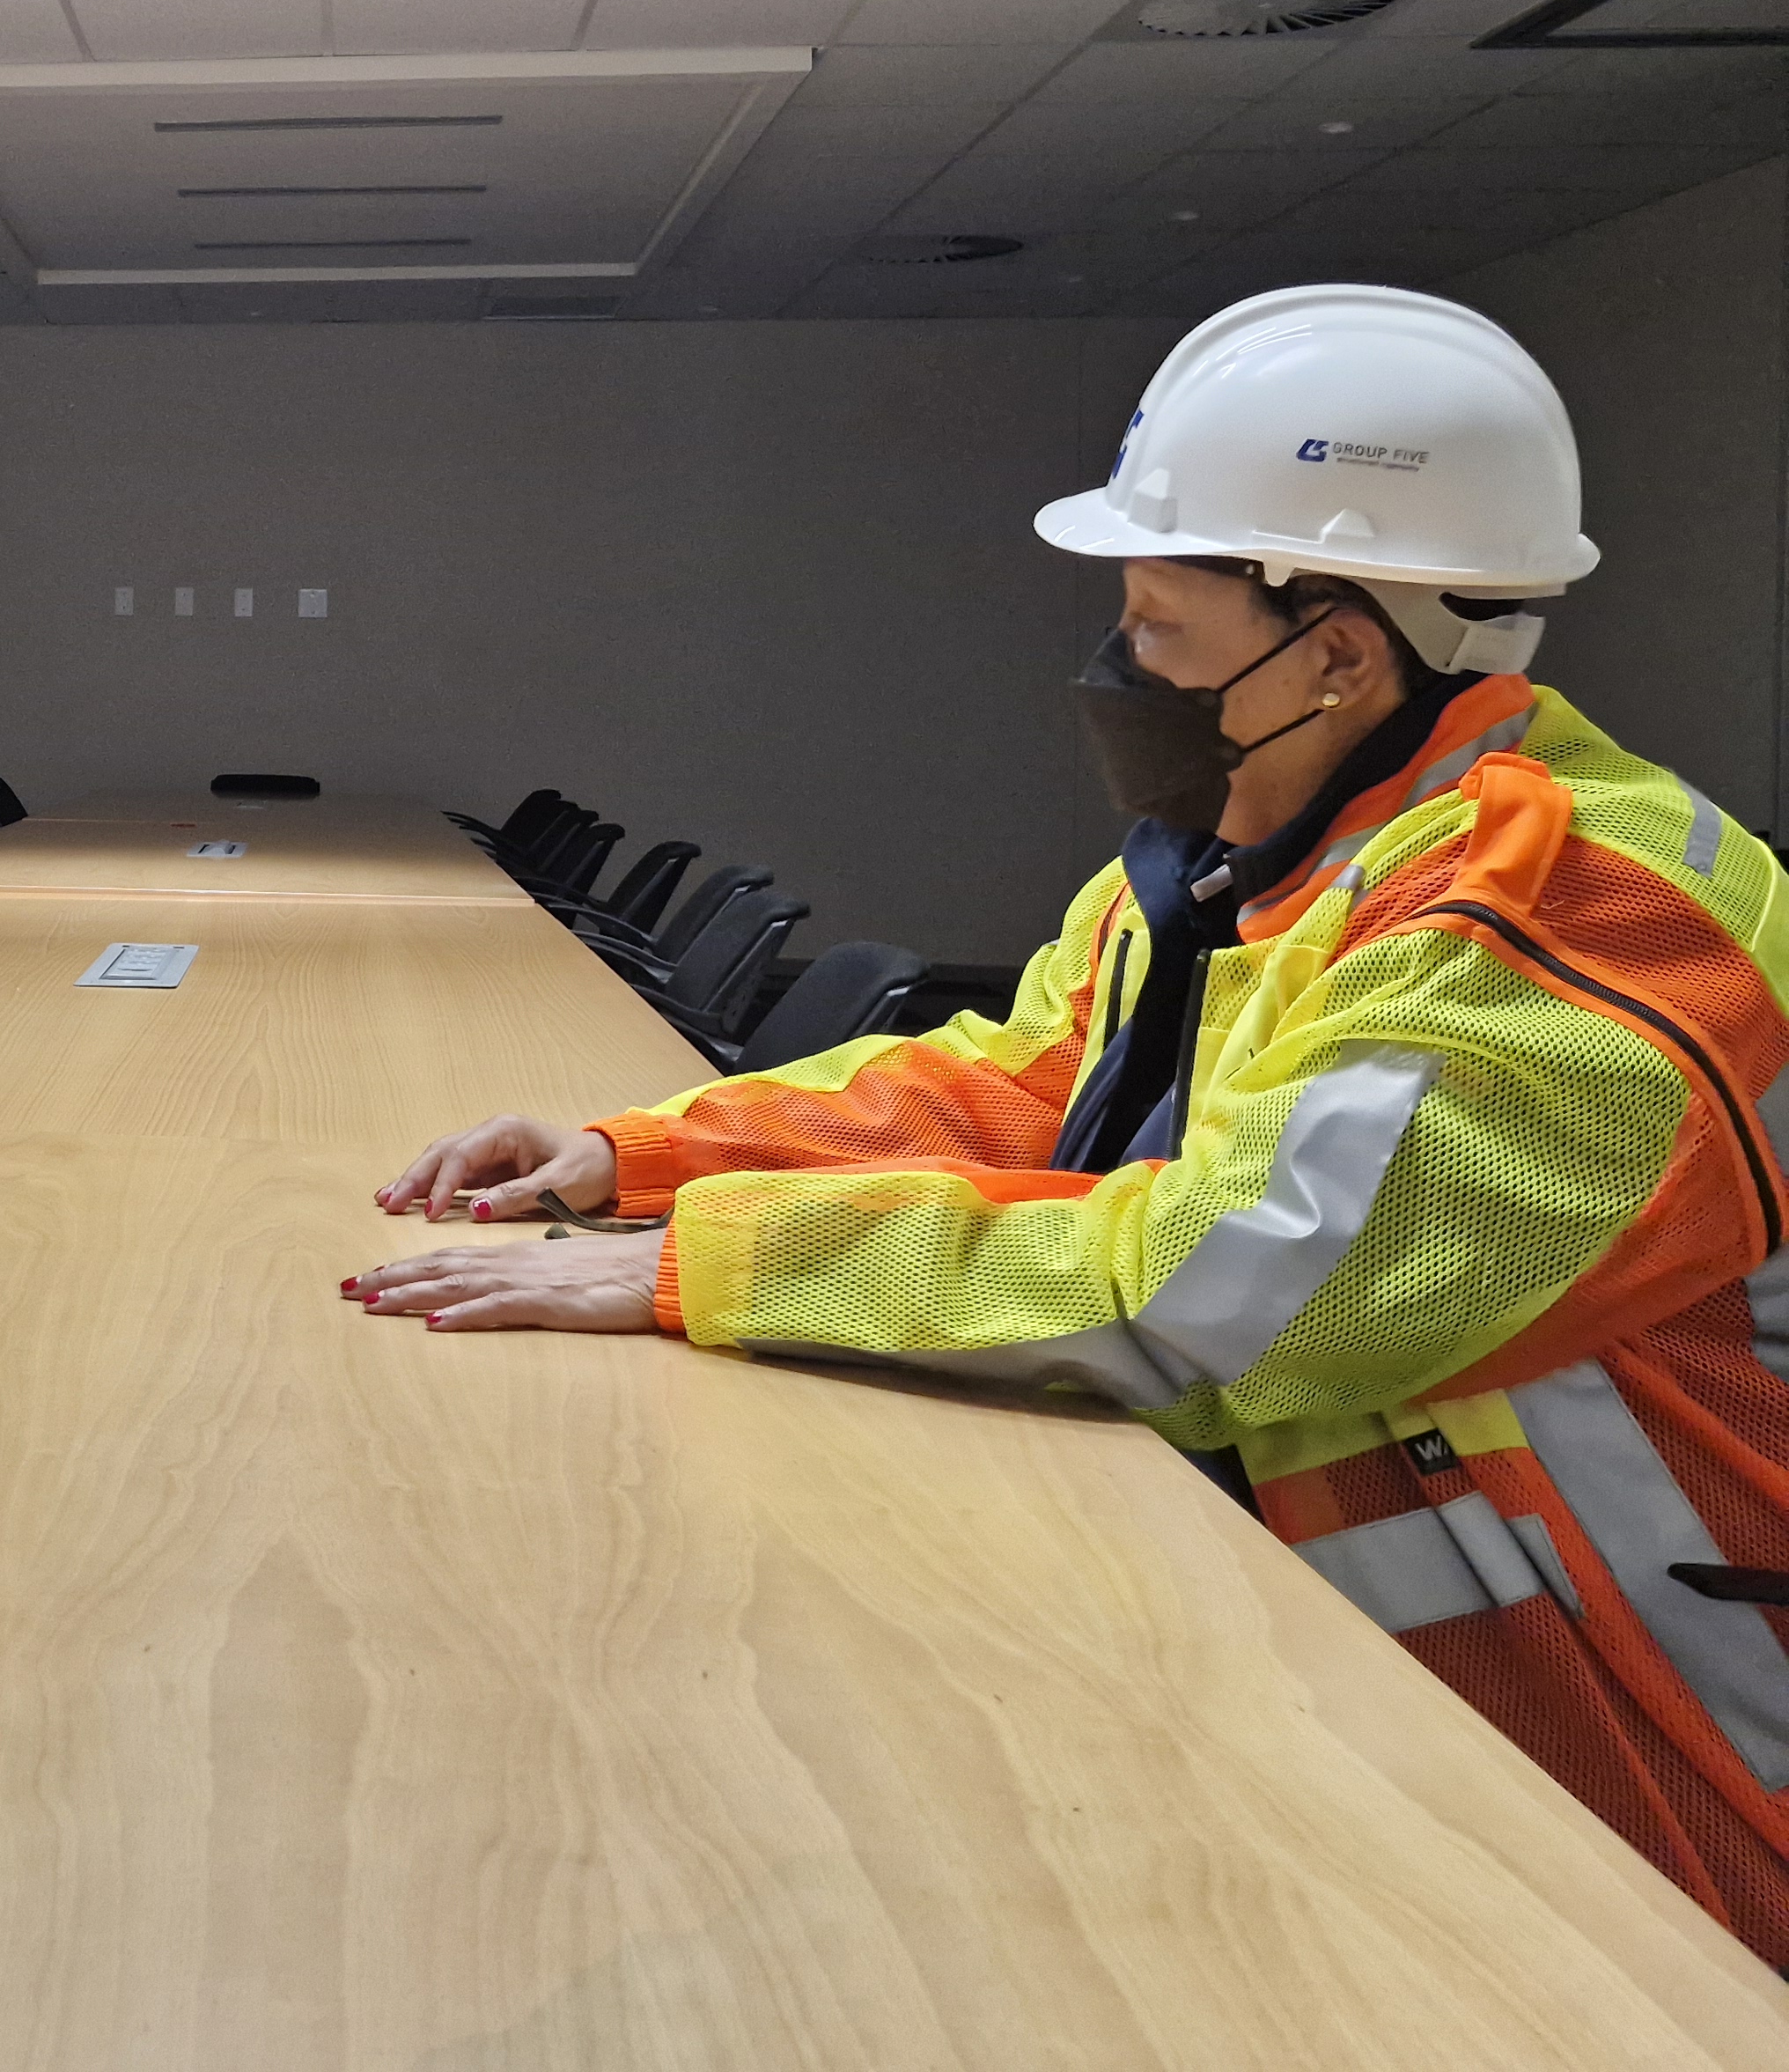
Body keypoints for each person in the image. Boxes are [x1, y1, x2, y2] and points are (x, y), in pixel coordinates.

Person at [350, 283, 1789, 1964]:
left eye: (1161, 633)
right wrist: (649, 1158)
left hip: (1611, 1705)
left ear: (1336, 651)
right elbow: (1029, 1089)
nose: (1121, 672)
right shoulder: (1252, 856)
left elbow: (1248, 1286)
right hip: (1280, 1616)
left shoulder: (1579, 916)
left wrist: (717, 1266)